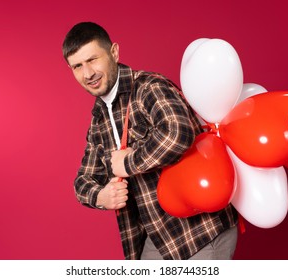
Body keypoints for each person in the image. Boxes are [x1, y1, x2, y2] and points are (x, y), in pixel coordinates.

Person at [62, 22, 238, 260]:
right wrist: (101, 196)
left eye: (93, 59)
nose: (87, 73)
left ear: (114, 52)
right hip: (157, 239)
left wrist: (129, 162)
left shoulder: (148, 87)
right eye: (77, 66)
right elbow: (82, 182)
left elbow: (179, 133)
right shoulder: (99, 118)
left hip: (199, 230)